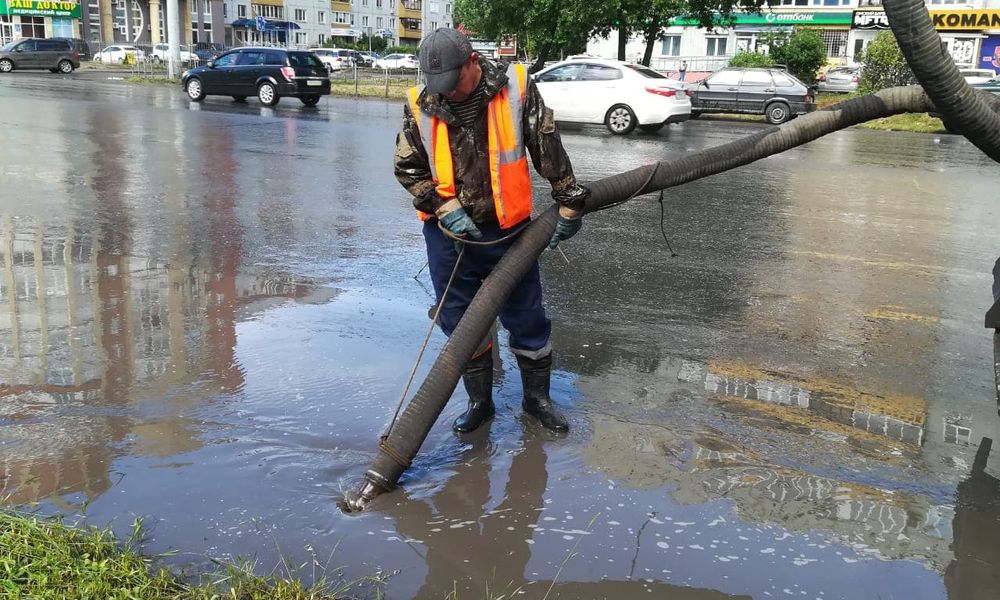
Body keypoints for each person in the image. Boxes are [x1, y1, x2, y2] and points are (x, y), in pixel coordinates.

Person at [393, 28, 590, 434]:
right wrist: (441, 204)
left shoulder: (515, 87)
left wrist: (568, 198)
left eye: (454, 81)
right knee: (461, 319)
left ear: (473, 62)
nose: (448, 93)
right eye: (440, 85)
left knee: (527, 314)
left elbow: (544, 143)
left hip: (509, 232)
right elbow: (408, 167)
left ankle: (537, 400)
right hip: (450, 235)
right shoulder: (421, 102)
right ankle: (480, 402)